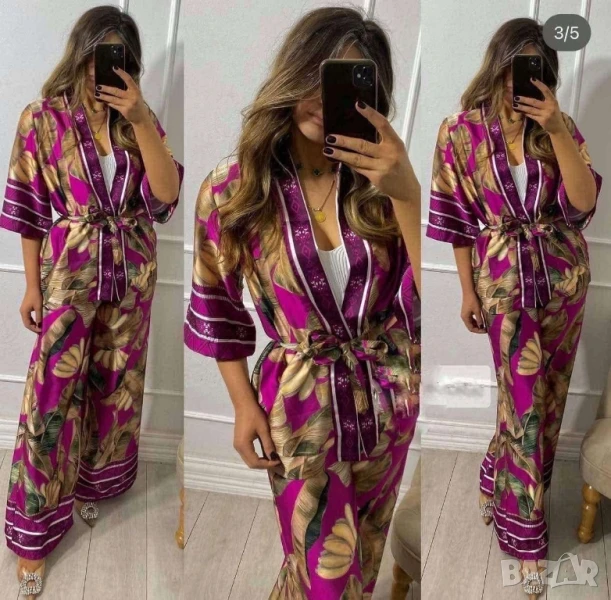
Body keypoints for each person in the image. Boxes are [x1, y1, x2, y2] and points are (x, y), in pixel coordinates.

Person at [184, 7, 420, 599]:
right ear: (292, 73)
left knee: (362, 555)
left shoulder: (385, 184)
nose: (322, 96)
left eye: (343, 82)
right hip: (299, 409)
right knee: (323, 572)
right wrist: (242, 405)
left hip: (386, 402)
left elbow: (428, 298)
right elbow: (217, 305)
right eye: (315, 74)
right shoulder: (234, 187)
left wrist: (410, 196)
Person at [0, 6, 183, 597]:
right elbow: (29, 207)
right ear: (80, 53)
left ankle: (92, 484)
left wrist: (141, 118)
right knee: (51, 398)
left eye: (121, 56)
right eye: (100, 54)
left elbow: (165, 198)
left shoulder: (138, 119)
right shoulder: (42, 119)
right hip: (70, 271)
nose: (107, 67)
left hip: (132, 273)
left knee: (115, 387)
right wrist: (32, 285)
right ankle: (33, 536)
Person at [426, 17, 601, 599]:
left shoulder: (558, 127)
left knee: (545, 404)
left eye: (534, 68)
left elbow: (582, 205)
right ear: (497, 62)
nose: (518, 80)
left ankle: (491, 475)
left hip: (564, 281)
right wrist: (466, 291)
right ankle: (527, 541)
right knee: (522, 404)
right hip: (502, 286)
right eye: (514, 65)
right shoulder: (458, 132)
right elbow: (455, 219)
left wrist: (556, 130)